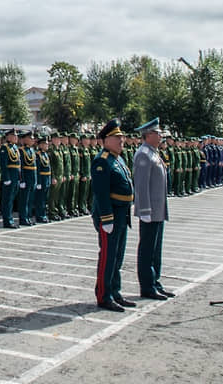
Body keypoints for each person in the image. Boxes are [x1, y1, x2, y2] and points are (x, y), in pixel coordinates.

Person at [91, 118, 135, 312]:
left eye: (121, 137)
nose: (121, 140)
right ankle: (104, 295)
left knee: (117, 256)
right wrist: (106, 218)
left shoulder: (118, 159)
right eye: (117, 137)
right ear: (106, 140)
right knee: (108, 257)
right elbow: (101, 193)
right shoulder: (102, 161)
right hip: (110, 216)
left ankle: (115, 291)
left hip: (122, 214)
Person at [132, 118, 175, 301]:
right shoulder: (143, 154)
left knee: (156, 250)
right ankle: (147, 286)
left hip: (158, 210)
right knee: (147, 250)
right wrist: (145, 210)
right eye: (158, 133)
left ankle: (155, 282)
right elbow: (141, 186)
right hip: (149, 211)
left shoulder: (153, 153)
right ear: (148, 135)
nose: (160, 136)